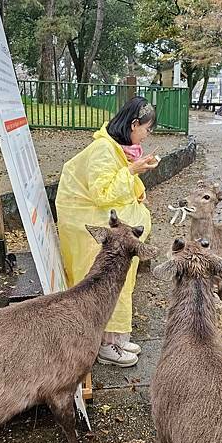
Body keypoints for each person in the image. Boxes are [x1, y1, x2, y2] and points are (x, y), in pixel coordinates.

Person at [56, 96, 157, 367]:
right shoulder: (103, 149)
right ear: (134, 125)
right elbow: (102, 193)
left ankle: (118, 337)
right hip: (86, 224)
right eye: (146, 129)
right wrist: (134, 170)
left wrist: (135, 180)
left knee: (120, 279)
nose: (147, 135)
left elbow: (114, 182)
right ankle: (108, 345)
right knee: (109, 280)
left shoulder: (113, 147)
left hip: (98, 220)